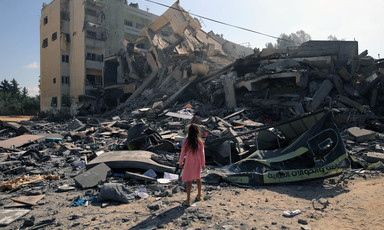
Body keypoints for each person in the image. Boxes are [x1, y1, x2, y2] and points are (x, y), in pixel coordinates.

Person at [179, 123, 205, 206]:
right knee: (198, 178)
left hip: (189, 162)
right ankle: (199, 195)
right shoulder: (200, 141)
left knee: (189, 181)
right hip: (197, 162)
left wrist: (180, 162)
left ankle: (188, 200)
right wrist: (203, 163)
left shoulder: (187, 140)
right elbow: (202, 153)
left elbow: (183, 152)